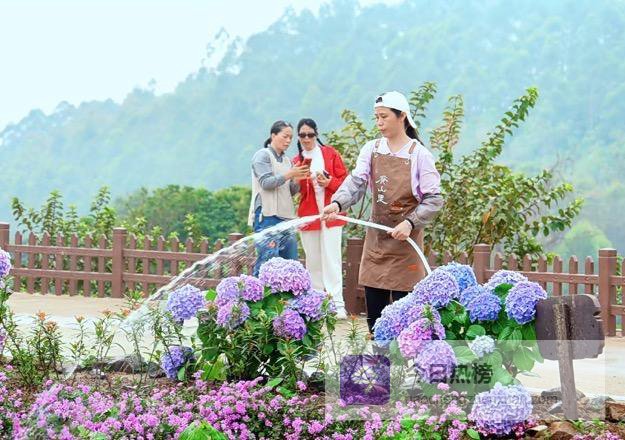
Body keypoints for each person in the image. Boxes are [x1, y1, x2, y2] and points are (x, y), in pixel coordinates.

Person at [321, 91, 444, 332]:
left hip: (406, 244)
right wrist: (337, 204)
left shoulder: (419, 154)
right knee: (375, 320)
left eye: (384, 117)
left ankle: (402, 355)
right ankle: (379, 354)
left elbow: (434, 199)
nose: (379, 123)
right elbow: (356, 182)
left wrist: (410, 223)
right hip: (377, 243)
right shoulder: (372, 149)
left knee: (404, 319)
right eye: (376, 117)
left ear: (402, 116)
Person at [292, 118, 349, 318]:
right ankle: (316, 304)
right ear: (298, 137)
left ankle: (337, 304)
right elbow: (294, 190)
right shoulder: (296, 161)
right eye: (302, 135)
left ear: (316, 134)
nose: (306, 138)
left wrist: (329, 182)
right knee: (313, 261)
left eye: (310, 134)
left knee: (332, 258)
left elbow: (346, 183)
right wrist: (298, 178)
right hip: (309, 216)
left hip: (332, 214)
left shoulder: (330, 154)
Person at [248, 120, 310, 275]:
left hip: (286, 218)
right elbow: (266, 183)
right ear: (273, 135)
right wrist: (290, 174)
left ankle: (285, 293)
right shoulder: (263, 155)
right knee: (267, 262)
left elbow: (289, 191)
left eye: (291, 138)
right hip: (267, 216)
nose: (288, 141)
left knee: (290, 263)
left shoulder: (288, 161)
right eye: (285, 136)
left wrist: (297, 179)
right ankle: (256, 290)